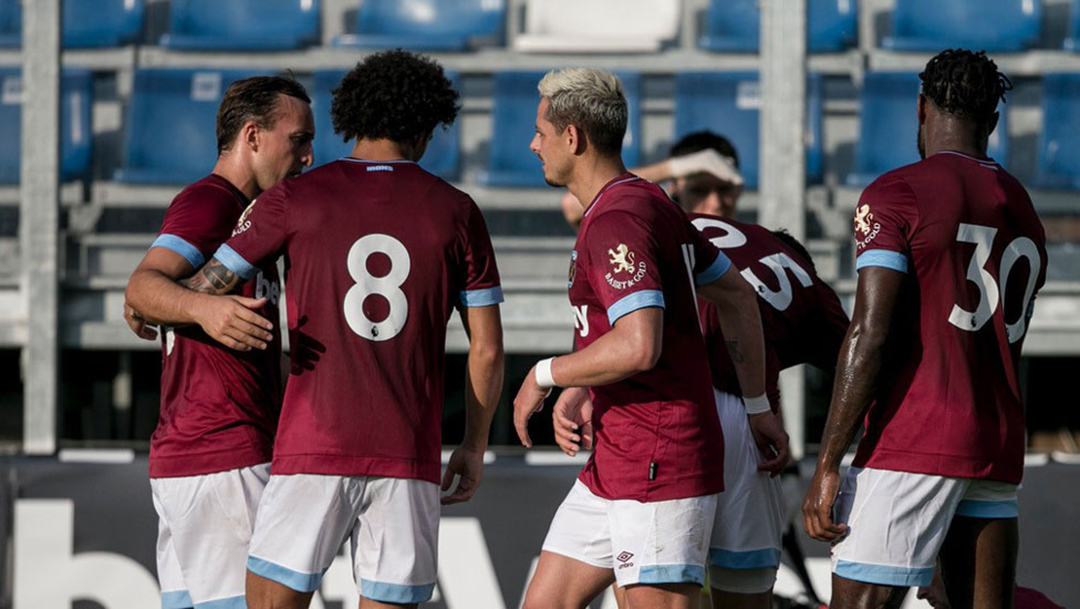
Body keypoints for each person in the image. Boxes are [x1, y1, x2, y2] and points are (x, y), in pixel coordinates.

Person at [177, 50, 505, 609]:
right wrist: (472, 445)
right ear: (426, 126)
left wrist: (155, 305)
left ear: (351, 117)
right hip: (407, 456)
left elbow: (206, 286)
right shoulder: (457, 211)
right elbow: (489, 351)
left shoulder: (292, 198)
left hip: (311, 448)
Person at [512, 67, 787, 609]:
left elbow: (640, 345)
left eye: (542, 131)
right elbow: (736, 296)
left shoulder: (620, 217)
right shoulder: (647, 201)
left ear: (574, 137)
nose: (532, 143)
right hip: (617, 455)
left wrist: (545, 374)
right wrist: (755, 405)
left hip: (658, 460)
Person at [802, 49, 1047, 608]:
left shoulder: (897, 193)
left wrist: (827, 462)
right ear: (993, 121)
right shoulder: (1022, 205)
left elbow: (871, 331)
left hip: (914, 438)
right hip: (996, 435)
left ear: (920, 108)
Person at [123, 76, 315, 609]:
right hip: (221, 457)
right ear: (252, 136)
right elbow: (143, 284)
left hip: (192, 458)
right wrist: (203, 308)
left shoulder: (257, 218)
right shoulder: (212, 203)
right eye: (297, 140)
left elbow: (148, 295)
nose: (307, 156)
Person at [559, 130, 743, 229]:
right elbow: (572, 205)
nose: (716, 203)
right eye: (699, 191)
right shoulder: (656, 241)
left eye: (724, 189)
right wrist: (672, 168)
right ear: (674, 189)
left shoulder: (757, 248)